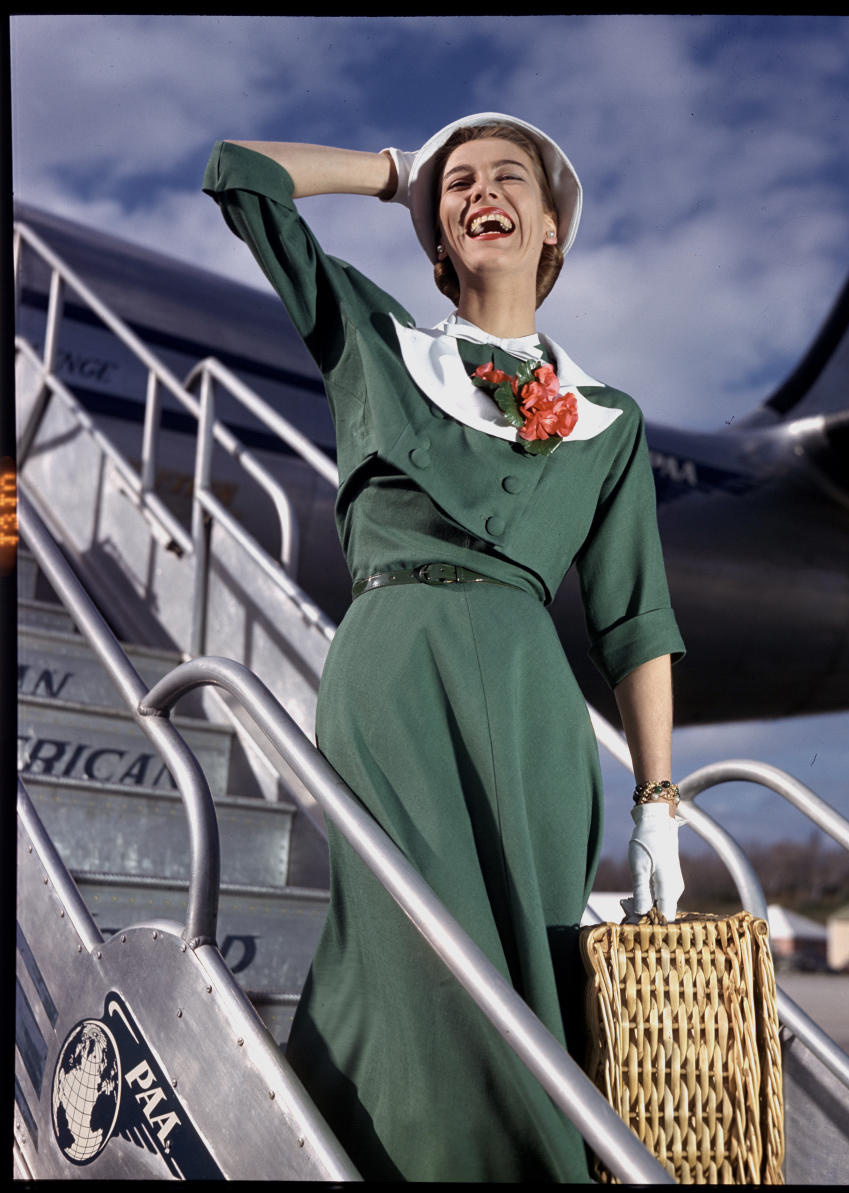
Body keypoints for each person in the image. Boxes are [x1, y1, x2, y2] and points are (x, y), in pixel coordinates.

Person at [203, 112, 685, 1183]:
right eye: (456, 184)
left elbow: (636, 620)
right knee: (414, 955)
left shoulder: (609, 419)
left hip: (531, 703)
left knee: (531, 960)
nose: (480, 190)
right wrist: (394, 173)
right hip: (396, 666)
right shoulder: (375, 341)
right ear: (437, 235)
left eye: (509, 176)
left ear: (552, 224)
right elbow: (240, 179)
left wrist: (660, 804)